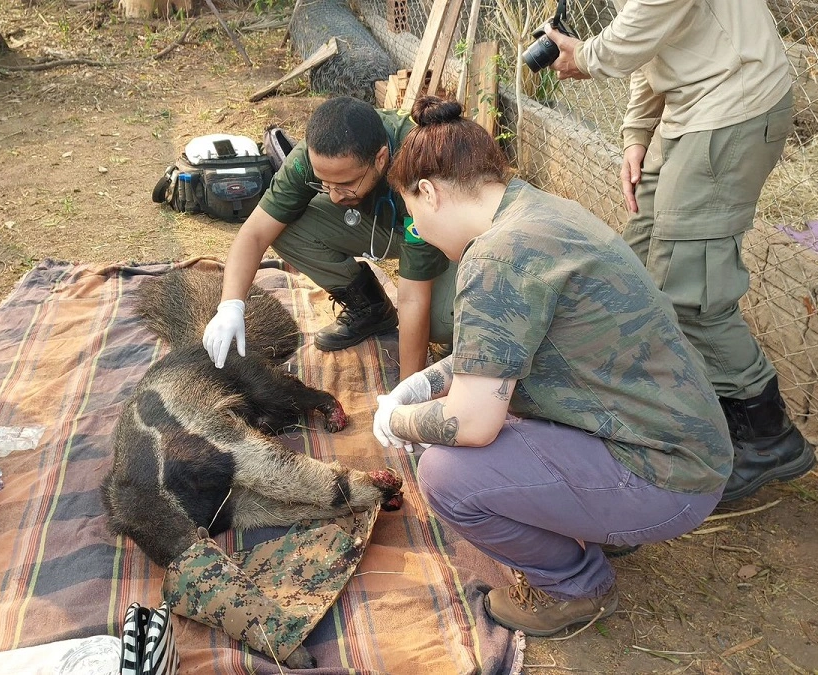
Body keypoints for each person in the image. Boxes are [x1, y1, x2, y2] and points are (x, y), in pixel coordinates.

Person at [373, 96, 733, 636]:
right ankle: (602, 521)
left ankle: (577, 588)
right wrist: (428, 380)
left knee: (447, 474)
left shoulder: (496, 257)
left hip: (668, 481)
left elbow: (471, 423)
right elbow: (502, 349)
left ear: (430, 191)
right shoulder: (536, 212)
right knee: (498, 419)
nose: (418, 232)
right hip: (684, 451)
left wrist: (394, 422)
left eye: (414, 216)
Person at [541, 0, 814, 502]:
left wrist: (587, 56)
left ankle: (766, 434)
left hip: (733, 105)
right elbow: (652, 42)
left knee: (688, 293)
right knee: (636, 264)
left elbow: (632, 34)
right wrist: (637, 134)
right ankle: (677, 407)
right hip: (692, 109)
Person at [202, 96, 456, 379]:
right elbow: (255, 232)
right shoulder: (320, 153)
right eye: (325, 183)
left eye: (345, 184)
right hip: (390, 224)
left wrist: (409, 392)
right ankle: (370, 309)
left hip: (448, 238)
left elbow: (412, 298)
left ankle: (460, 337)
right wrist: (230, 305)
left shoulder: (420, 163)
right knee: (285, 227)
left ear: (381, 159)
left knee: (438, 322)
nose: (333, 196)